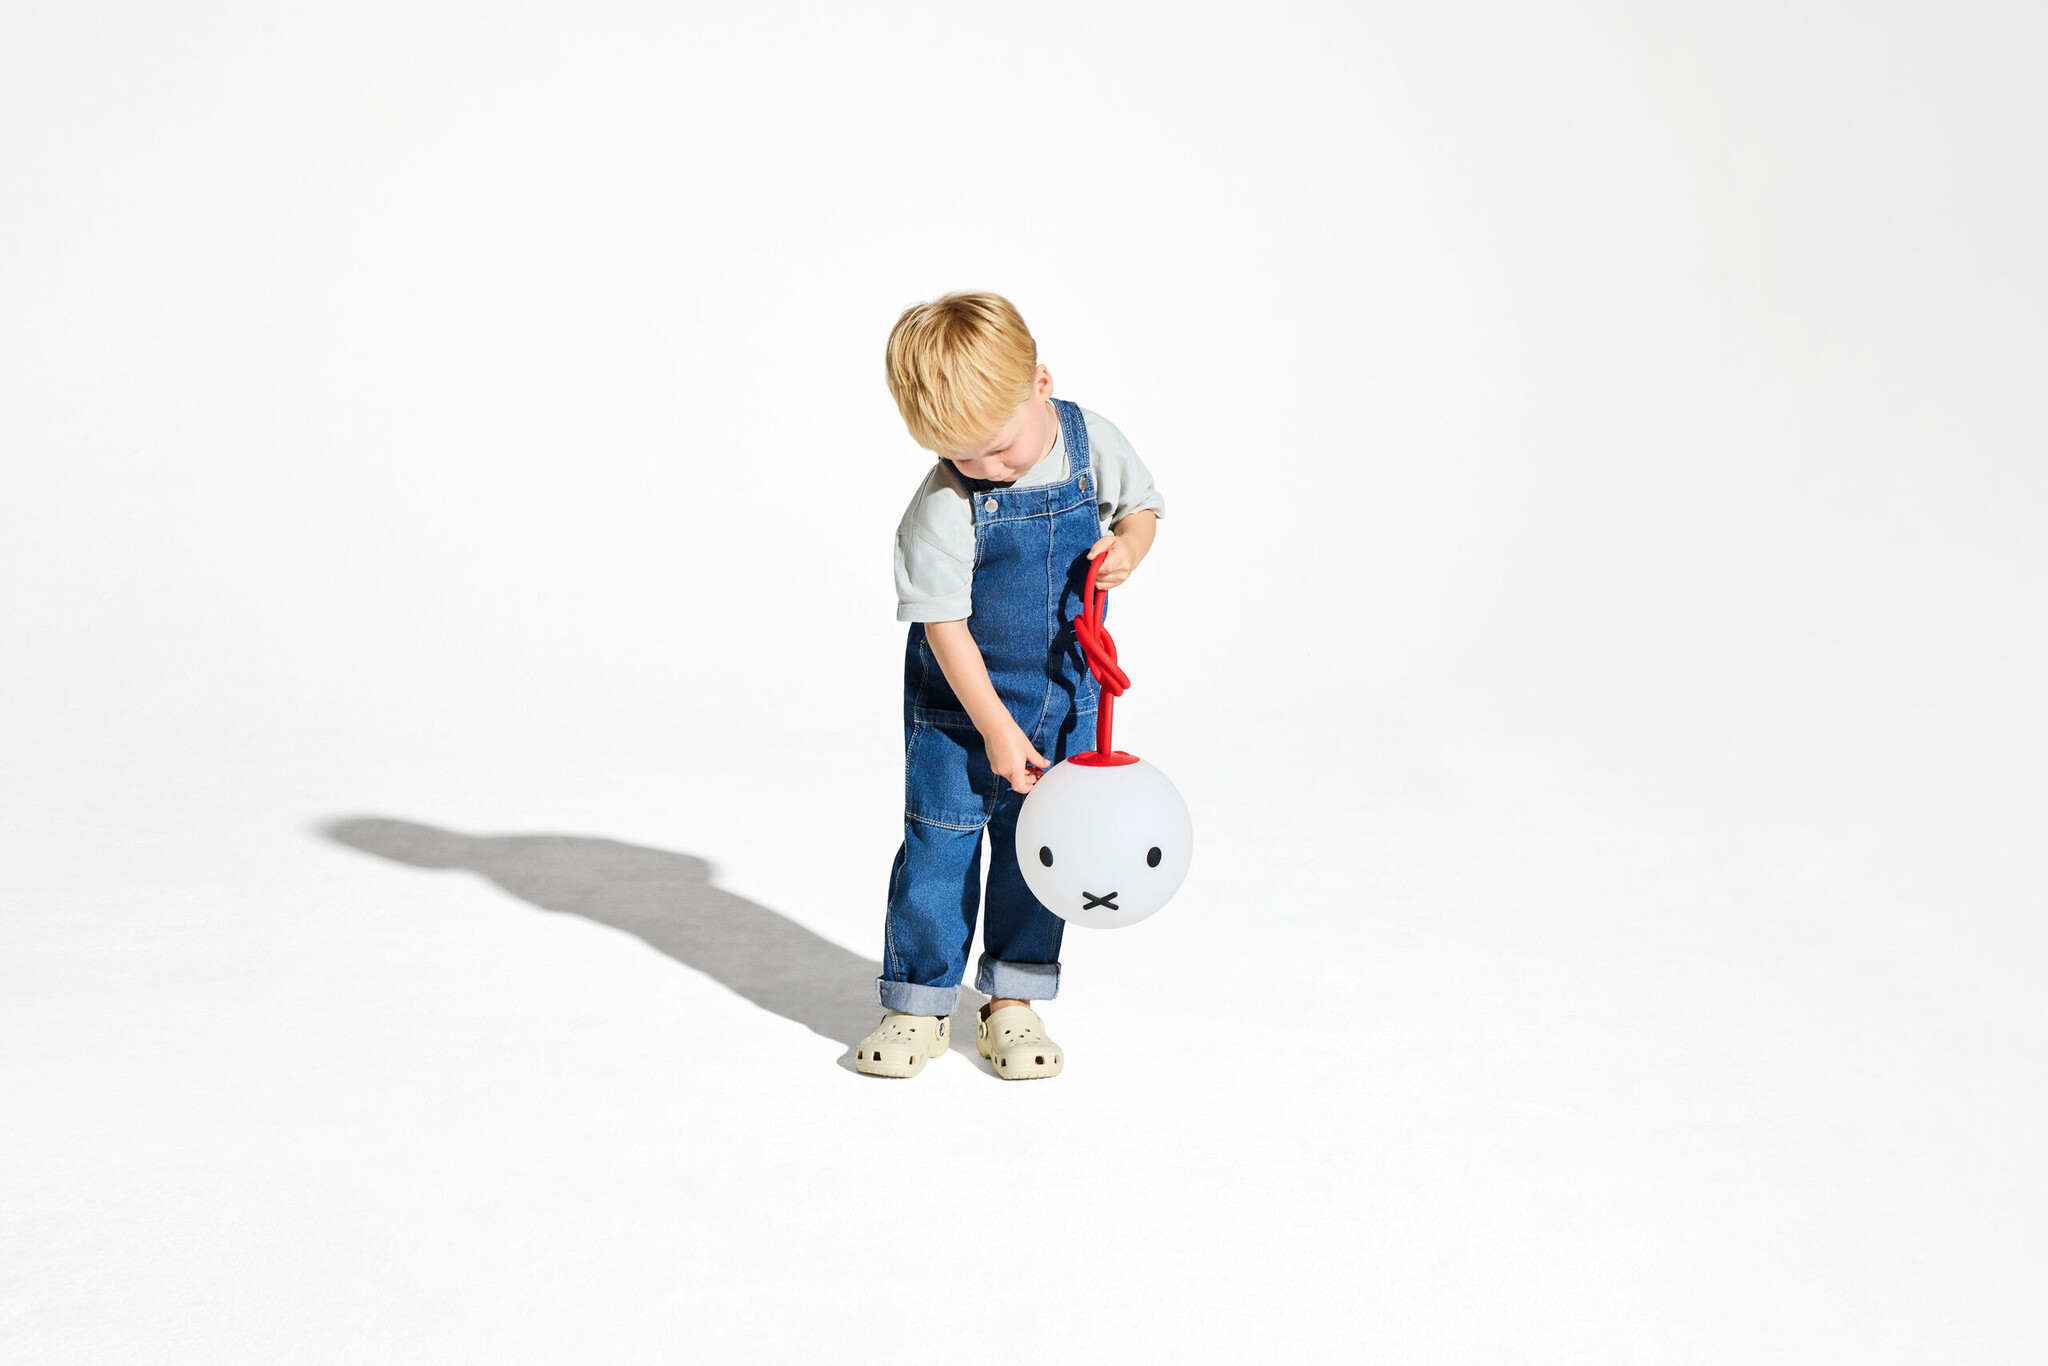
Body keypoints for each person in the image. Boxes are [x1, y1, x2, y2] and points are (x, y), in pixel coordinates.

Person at [856, 292, 1165, 1080]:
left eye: (999, 447)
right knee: (939, 849)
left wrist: (1129, 547)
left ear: (1040, 384)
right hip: (958, 713)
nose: (990, 470)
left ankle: (1013, 1001)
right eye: (964, 458)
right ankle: (918, 1002)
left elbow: (1142, 508)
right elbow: (944, 626)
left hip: (1062, 696)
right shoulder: (941, 505)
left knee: (1041, 852)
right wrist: (994, 727)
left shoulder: (1092, 444)